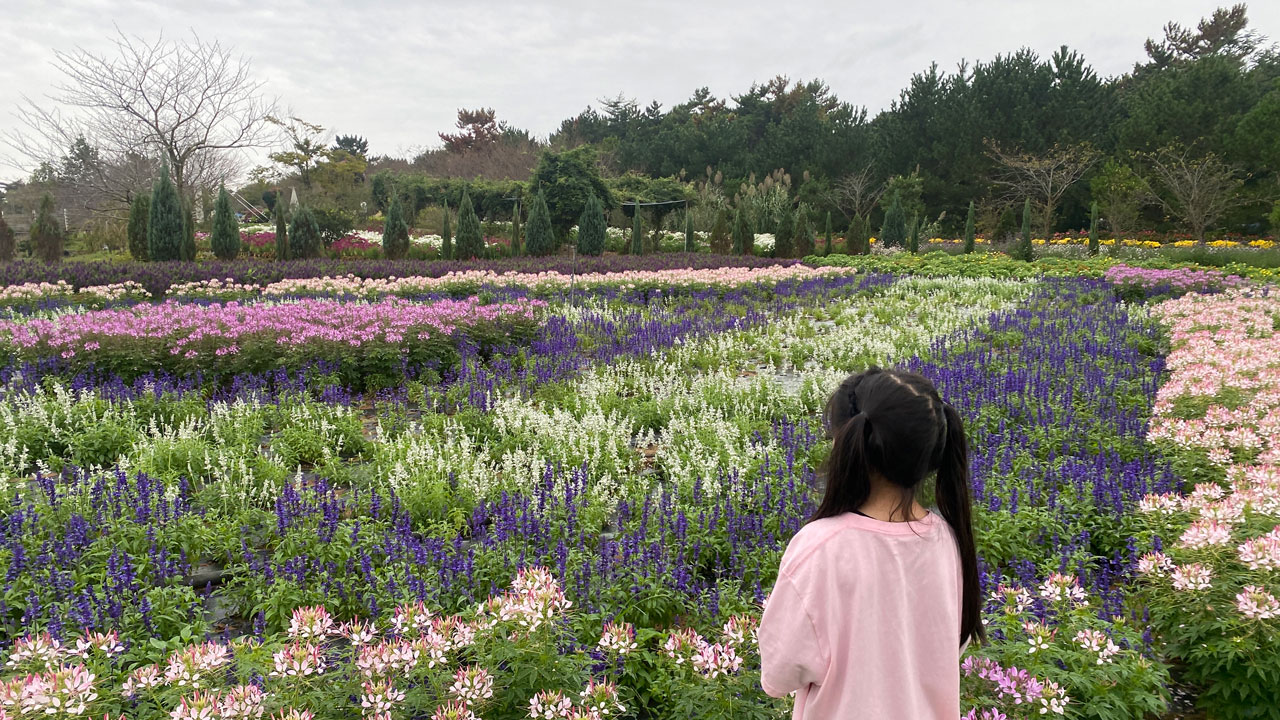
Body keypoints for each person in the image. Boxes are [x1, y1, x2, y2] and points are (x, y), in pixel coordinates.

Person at [759, 367, 983, 719]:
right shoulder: (947, 541)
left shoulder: (820, 548)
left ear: (845, 442)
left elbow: (779, 672)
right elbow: (951, 644)